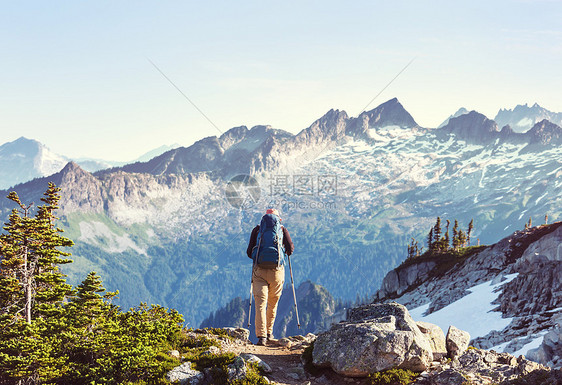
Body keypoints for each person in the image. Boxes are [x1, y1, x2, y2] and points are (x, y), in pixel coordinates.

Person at [246, 208, 294, 346]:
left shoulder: (257, 230)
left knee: (260, 304)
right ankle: (269, 333)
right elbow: (290, 250)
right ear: (279, 219)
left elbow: (249, 252)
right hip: (277, 272)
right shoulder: (283, 230)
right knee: (272, 303)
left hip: (259, 271)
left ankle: (261, 337)